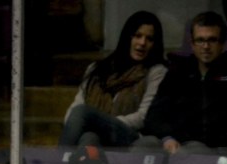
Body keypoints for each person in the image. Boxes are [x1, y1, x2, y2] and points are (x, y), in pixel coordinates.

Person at [135, 11, 227, 154]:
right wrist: (168, 138)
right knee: (144, 144)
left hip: (211, 145)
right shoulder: (178, 71)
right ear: (192, 44)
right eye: (200, 40)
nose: (205, 46)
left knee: (191, 151)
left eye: (212, 40)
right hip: (175, 140)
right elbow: (154, 116)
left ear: (223, 44)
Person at [58, 10, 167, 150]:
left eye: (149, 39)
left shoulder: (156, 72)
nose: (142, 43)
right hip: (95, 132)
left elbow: (143, 116)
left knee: (83, 114)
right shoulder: (96, 69)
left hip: (128, 135)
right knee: (89, 137)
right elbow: (76, 106)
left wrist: (103, 123)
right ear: (127, 37)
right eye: (137, 36)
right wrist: (93, 125)